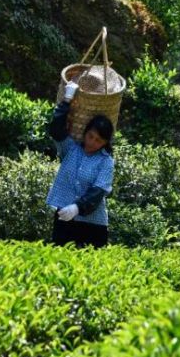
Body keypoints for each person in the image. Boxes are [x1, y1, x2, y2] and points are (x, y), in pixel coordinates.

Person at [45, 81, 115, 247]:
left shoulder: (106, 161)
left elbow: (98, 192)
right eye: (91, 136)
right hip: (64, 217)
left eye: (99, 140)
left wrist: (76, 208)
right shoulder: (71, 149)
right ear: (85, 133)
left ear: (105, 143)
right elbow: (56, 129)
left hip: (92, 224)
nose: (93, 142)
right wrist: (67, 99)